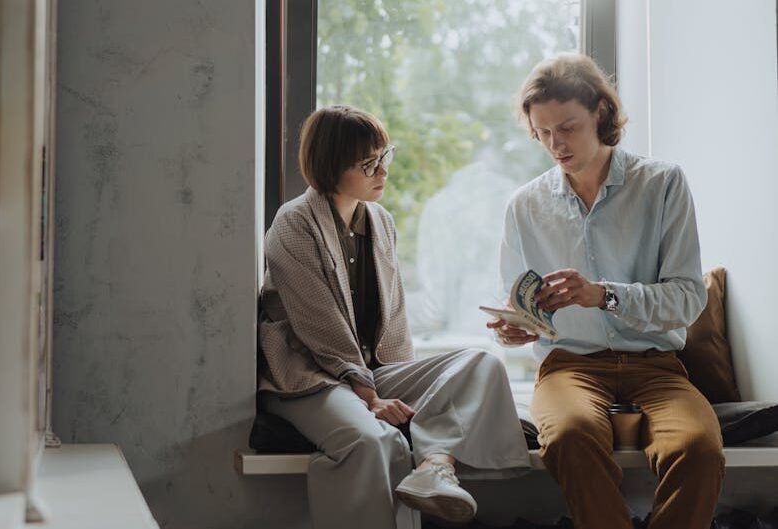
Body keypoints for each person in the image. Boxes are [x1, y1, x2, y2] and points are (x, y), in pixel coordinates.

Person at [258, 105, 529, 529]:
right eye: (369, 163)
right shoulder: (293, 223)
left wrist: (400, 383)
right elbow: (320, 326)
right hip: (309, 377)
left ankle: (434, 467)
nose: (382, 170)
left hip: (369, 370)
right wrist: (371, 399)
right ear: (330, 166)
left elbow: (395, 315)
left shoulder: (380, 220)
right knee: (372, 440)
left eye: (385, 155)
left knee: (481, 362)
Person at [488, 53, 723, 529]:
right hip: (568, 368)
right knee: (570, 437)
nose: (556, 144)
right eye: (543, 133)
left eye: (567, 127)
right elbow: (518, 307)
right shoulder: (524, 206)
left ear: (601, 111)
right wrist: (513, 330)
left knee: (698, 449)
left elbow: (688, 297)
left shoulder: (662, 184)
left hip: (658, 365)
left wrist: (604, 295)